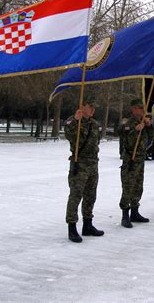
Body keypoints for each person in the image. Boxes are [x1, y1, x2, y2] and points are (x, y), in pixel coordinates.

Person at [64, 97, 104, 243]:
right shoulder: (73, 121)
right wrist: (75, 120)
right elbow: (68, 135)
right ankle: (72, 227)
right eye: (90, 106)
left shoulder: (94, 124)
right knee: (76, 195)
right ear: (82, 106)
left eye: (94, 107)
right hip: (79, 164)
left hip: (93, 163)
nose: (93, 109)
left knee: (90, 195)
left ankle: (88, 224)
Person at [118, 99, 154, 228]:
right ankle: (125, 215)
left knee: (138, 187)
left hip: (140, 159)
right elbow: (123, 134)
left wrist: (149, 126)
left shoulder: (143, 121)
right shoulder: (128, 122)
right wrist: (135, 129)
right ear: (133, 109)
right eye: (140, 107)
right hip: (130, 160)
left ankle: (135, 211)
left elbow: (152, 137)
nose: (143, 110)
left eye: (143, 107)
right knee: (128, 187)